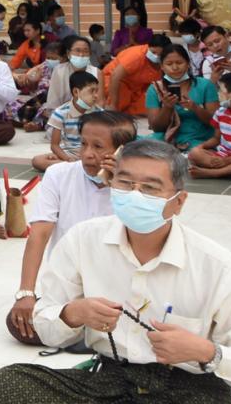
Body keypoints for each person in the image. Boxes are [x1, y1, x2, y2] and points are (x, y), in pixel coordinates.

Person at [0, 139, 231, 404]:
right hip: (111, 382)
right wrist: (72, 314)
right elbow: (46, 327)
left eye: (150, 188)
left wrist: (205, 351)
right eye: (125, 183)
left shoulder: (217, 267)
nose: (134, 195)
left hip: (189, 389)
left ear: (179, 201)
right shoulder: (83, 240)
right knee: (8, 384)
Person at [7, 110, 135, 344]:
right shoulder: (58, 174)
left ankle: (88, 333)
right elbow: (39, 234)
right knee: (19, 323)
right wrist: (26, 293)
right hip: (68, 285)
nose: (87, 154)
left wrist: (120, 185)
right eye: (83, 144)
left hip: (116, 286)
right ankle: (86, 331)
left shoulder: (135, 187)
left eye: (98, 147)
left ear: (122, 151)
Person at [145, 44, 219, 151]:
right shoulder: (155, 89)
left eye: (179, 63)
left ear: (188, 64)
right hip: (167, 138)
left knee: (197, 153)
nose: (175, 68)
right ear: (162, 66)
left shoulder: (205, 85)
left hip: (199, 138)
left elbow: (215, 122)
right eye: (169, 64)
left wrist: (195, 108)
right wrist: (167, 108)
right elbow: (156, 127)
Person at [32, 71, 101, 172]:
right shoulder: (61, 112)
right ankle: (77, 167)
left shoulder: (100, 113)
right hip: (70, 154)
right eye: (92, 91)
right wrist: (67, 159)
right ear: (76, 92)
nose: (96, 96)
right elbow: (54, 145)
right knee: (38, 161)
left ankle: (74, 168)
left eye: (97, 91)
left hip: (92, 153)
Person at [102, 34, 170, 117]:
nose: (156, 56)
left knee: (150, 106)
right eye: (153, 52)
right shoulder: (136, 56)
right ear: (148, 46)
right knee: (121, 98)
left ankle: (124, 114)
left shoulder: (164, 61)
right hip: (114, 82)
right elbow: (115, 76)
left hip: (136, 89)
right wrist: (113, 104)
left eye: (160, 55)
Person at [44, 35, 99, 115]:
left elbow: (100, 102)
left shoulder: (96, 72)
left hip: (90, 116)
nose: (81, 54)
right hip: (63, 115)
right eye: (77, 50)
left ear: (90, 53)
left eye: (85, 51)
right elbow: (53, 102)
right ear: (68, 53)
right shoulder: (59, 71)